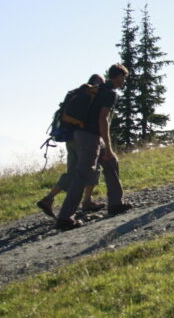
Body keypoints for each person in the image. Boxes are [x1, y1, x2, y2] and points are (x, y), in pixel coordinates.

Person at [55, 64, 133, 230]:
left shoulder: (97, 89)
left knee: (112, 163)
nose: (124, 81)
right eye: (123, 77)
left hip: (83, 133)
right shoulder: (110, 93)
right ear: (117, 76)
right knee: (83, 174)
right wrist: (109, 147)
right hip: (90, 136)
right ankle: (65, 217)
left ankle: (116, 203)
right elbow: (103, 119)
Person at [36, 74, 106, 218]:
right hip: (83, 137)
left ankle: (48, 198)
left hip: (70, 137)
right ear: (97, 84)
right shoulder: (88, 96)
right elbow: (76, 117)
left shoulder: (77, 94)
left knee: (73, 171)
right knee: (93, 166)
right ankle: (87, 201)